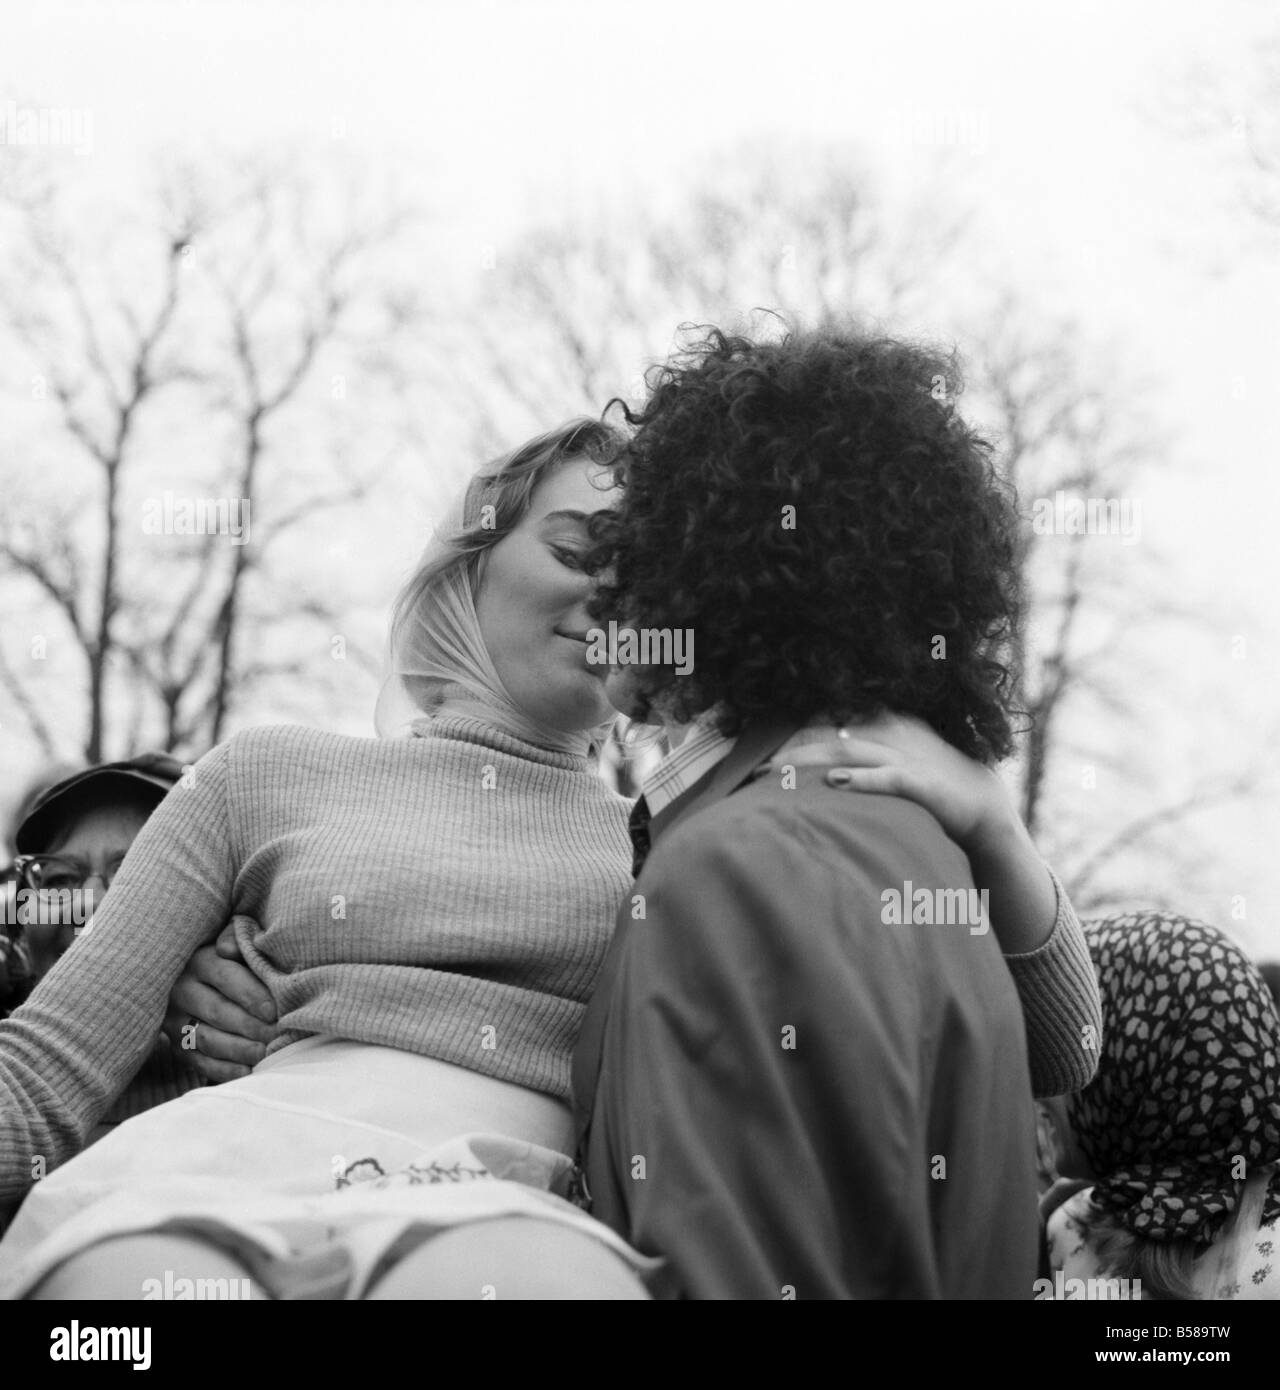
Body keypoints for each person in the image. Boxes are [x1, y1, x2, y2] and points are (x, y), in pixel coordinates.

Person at [0, 383, 1097, 1301]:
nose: (609, 590)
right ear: (468, 562)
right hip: (218, 1171)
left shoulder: (685, 835)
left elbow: (1056, 1051)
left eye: (643, 571)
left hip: (501, 1205)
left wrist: (990, 822)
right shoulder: (264, 773)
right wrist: (170, 1046)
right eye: (579, 547)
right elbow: (47, 1075)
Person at [569, 322, 1087, 1299]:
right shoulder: (912, 840)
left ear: (705, 564)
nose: (603, 577)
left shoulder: (737, 871)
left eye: (630, 535)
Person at [1039, 911, 1280, 1300]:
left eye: (1070, 1051)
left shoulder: (1269, 1261)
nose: (1043, 1089)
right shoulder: (1067, 1227)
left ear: (1138, 1064)